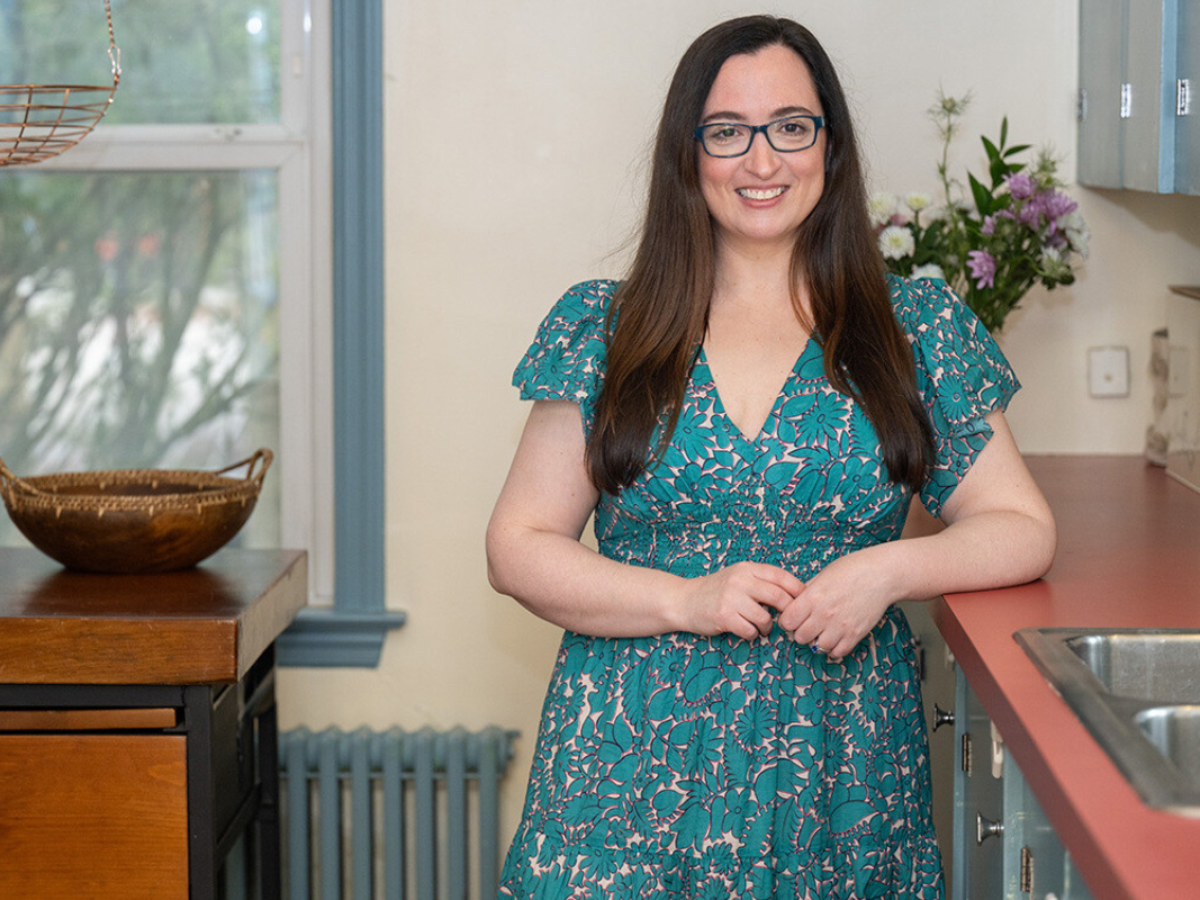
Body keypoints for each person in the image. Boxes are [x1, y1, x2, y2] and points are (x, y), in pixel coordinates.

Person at [486, 14, 1055, 899]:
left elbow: (1020, 526)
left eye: (791, 127)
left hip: (841, 771)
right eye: (728, 132)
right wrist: (684, 599)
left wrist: (887, 571)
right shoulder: (605, 328)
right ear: (689, 153)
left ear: (831, 144)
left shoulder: (913, 330)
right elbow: (517, 546)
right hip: (625, 775)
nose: (762, 161)